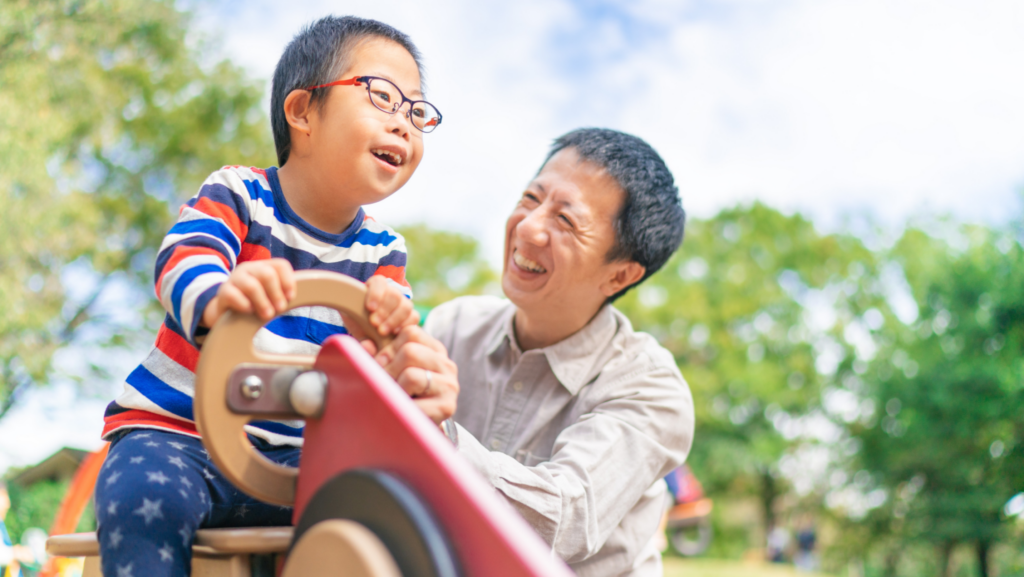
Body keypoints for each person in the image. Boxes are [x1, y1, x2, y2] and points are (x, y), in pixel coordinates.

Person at [94, 16, 441, 577]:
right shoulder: (240, 194)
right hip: (178, 437)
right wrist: (219, 294)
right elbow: (183, 259)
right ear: (303, 110)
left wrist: (394, 339)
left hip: (295, 459)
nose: (404, 124)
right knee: (141, 501)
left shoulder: (384, 251)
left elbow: (384, 359)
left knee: (381, 511)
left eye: (416, 111)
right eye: (382, 97)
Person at [363, 128, 694, 576]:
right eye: (531, 198)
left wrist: (429, 437)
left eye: (566, 220)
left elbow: (566, 517)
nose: (529, 227)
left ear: (619, 276)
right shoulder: (454, 326)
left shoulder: (650, 387)